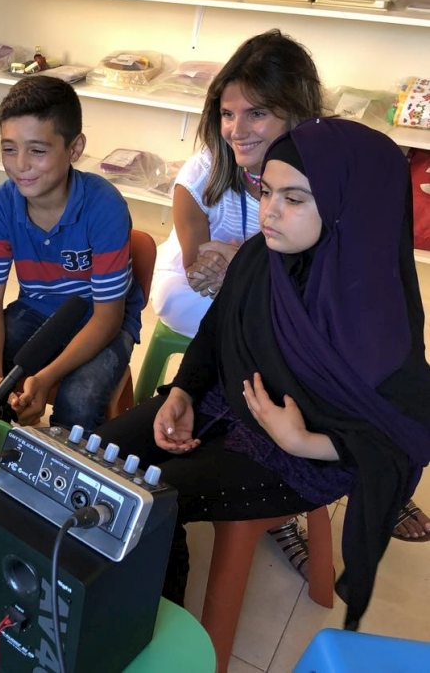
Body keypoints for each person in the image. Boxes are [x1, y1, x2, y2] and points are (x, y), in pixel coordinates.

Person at [94, 117, 430, 630]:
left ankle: (155, 646)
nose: (268, 212)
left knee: (155, 504)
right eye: (266, 190)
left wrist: (303, 443)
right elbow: (214, 334)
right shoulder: (260, 258)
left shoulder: (376, 315)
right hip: (223, 403)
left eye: (294, 199)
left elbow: (406, 435)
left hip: (300, 459)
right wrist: (183, 391)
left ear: (348, 206)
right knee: (92, 455)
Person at [0, 75, 144, 431]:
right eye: (9, 148)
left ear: (74, 148)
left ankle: (64, 480)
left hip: (102, 320)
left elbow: (108, 317)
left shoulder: (104, 206)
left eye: (37, 150)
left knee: (79, 399)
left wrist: (44, 376)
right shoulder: (2, 204)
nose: (20, 164)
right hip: (37, 309)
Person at [151, 29, 321, 338]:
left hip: (278, 282)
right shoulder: (199, 177)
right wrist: (211, 271)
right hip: (204, 291)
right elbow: (195, 273)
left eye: (256, 113)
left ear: (297, 112)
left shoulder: (325, 173)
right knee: (254, 322)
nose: (237, 131)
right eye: (228, 114)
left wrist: (244, 269)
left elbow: (323, 271)